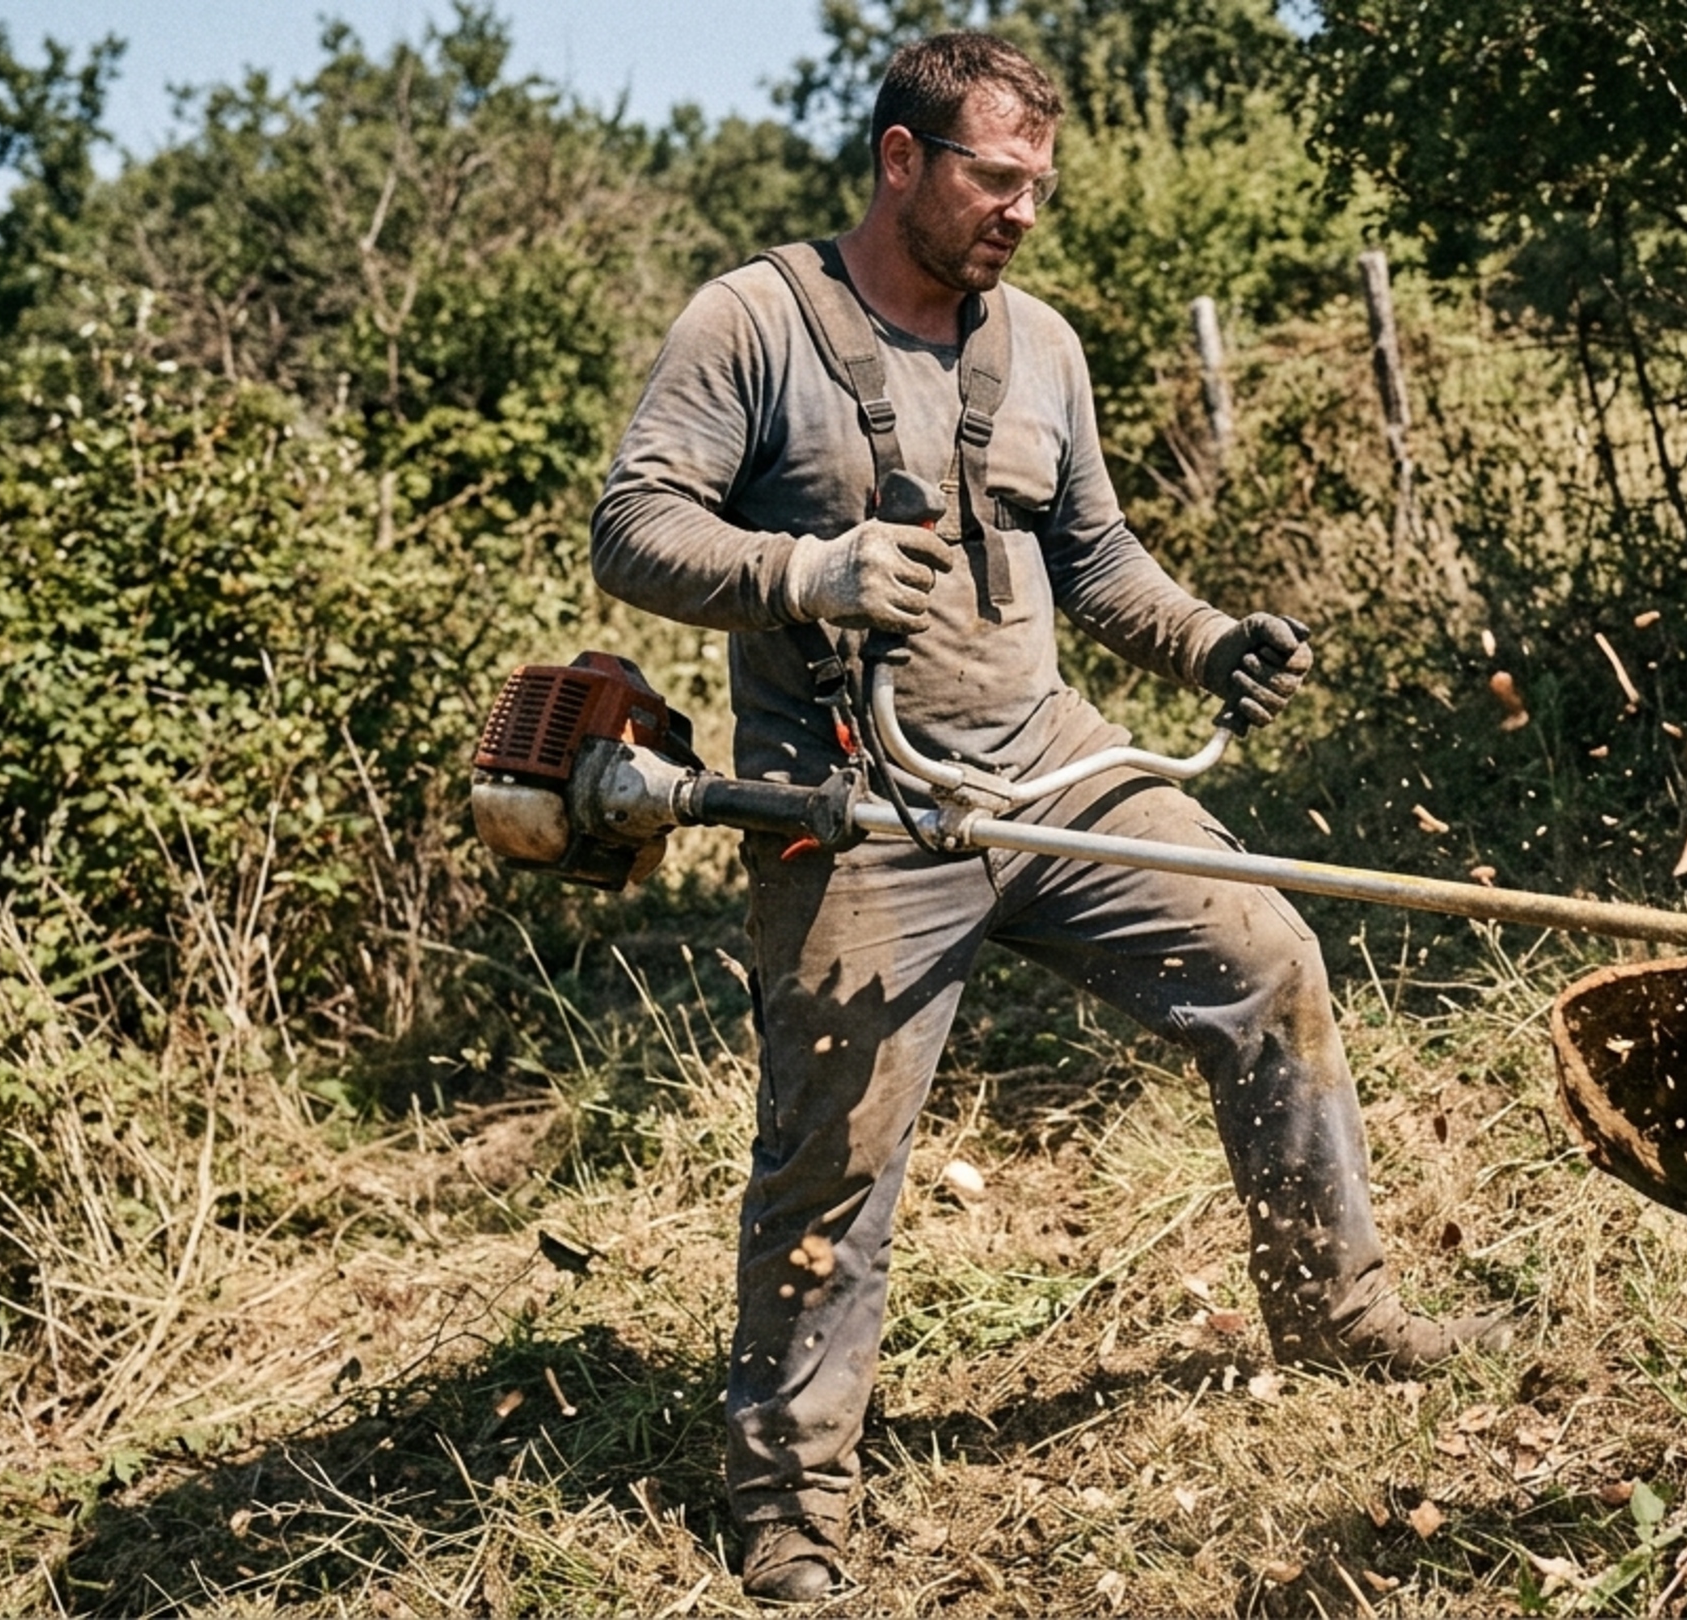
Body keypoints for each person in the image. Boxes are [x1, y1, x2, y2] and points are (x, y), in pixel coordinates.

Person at [589, 31, 1509, 1604]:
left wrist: (1214, 637)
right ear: (900, 161)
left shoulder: (1046, 347)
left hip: (1060, 775)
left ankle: (1339, 1310)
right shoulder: (751, 324)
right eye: (994, 179)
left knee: (1271, 960)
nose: (1022, 212)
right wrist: (806, 570)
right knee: (835, 1161)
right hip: (857, 804)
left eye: (1040, 186)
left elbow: (1095, 562)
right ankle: (794, 1501)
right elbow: (636, 525)